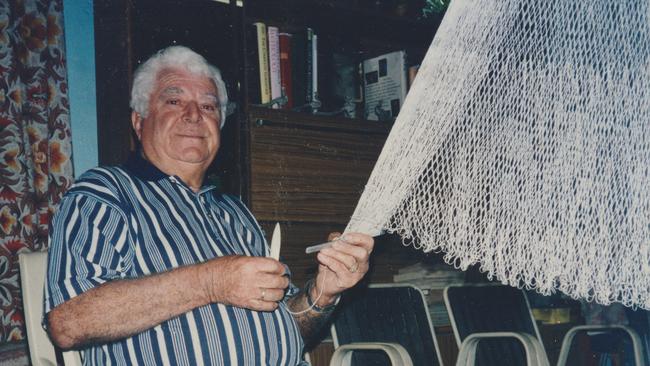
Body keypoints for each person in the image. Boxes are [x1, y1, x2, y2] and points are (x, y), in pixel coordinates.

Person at [44, 45, 374, 365]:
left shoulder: (236, 213)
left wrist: (324, 292)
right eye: (174, 100)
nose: (193, 115)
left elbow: (288, 333)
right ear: (139, 120)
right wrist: (211, 282)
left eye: (208, 107)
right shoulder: (105, 192)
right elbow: (69, 322)